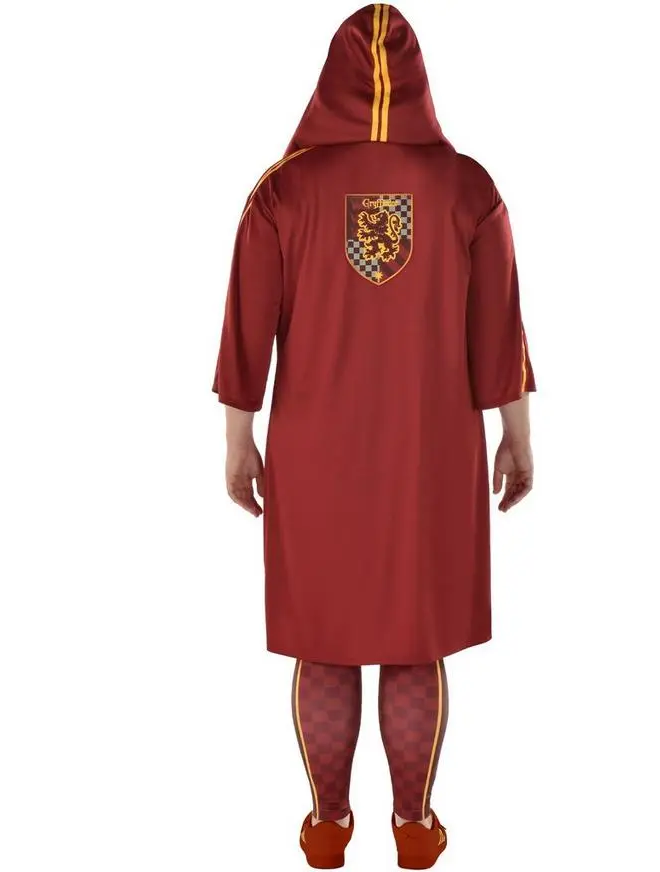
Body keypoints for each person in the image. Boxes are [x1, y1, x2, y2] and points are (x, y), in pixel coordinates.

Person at [213, 5, 535, 868]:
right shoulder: (467, 188)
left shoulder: (283, 191)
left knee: (327, 639)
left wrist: (238, 439)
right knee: (411, 639)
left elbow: (246, 326)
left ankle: (327, 823)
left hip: (316, 457)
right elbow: (499, 329)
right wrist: (518, 434)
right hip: (430, 458)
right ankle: (414, 825)